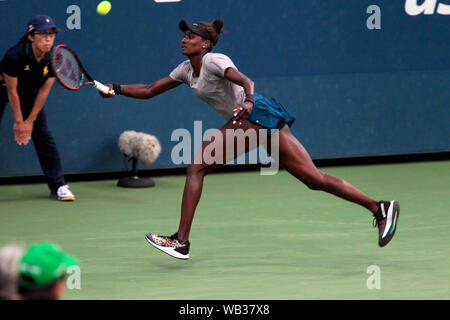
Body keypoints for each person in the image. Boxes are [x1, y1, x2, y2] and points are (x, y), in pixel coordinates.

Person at [102, 19, 400, 260]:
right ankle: (379, 207)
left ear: (204, 43)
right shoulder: (184, 71)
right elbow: (150, 89)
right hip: (262, 118)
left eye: (190, 36)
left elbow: (246, 81)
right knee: (313, 179)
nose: (183, 39)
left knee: (196, 167)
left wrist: (248, 100)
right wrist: (116, 88)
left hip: (253, 114)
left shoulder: (215, 60)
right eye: (183, 35)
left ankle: (181, 242)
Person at [0, 15, 75, 201]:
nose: (48, 38)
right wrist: (19, 122)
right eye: (42, 34)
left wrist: (30, 121)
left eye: (51, 34)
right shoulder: (14, 55)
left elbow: (43, 91)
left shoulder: (53, 59)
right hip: (4, 88)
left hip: (29, 90)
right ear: (31, 37)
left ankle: (59, 186)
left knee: (43, 135)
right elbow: (11, 92)